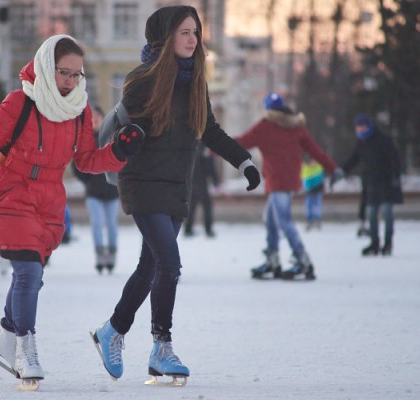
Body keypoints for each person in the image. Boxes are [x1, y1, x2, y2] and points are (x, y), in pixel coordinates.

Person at [0, 35, 133, 386]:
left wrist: (118, 152)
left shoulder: (79, 110)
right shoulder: (20, 103)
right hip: (10, 196)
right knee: (29, 273)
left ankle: (5, 335)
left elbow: (87, 161)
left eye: (78, 75)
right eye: (65, 73)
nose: (72, 82)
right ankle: (25, 349)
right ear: (48, 67)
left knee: (28, 276)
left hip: (48, 205)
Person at [90, 6, 260, 384]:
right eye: (184, 32)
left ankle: (112, 331)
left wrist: (244, 162)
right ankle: (161, 347)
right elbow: (129, 132)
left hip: (176, 186)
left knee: (149, 267)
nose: (192, 39)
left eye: (195, 33)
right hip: (142, 183)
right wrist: (129, 137)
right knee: (170, 265)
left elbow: (209, 130)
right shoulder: (140, 81)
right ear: (165, 38)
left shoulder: (195, 82)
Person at [237, 92, 341, 281]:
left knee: (284, 220)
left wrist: (212, 145)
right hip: (289, 180)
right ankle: (273, 259)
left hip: (277, 181)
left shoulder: (265, 126)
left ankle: (303, 261)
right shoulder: (295, 126)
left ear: (267, 109)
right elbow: (315, 150)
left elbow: (242, 142)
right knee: (270, 219)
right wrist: (332, 168)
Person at [336, 115, 403, 256]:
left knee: (387, 213)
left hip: (386, 183)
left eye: (362, 128)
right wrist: (341, 171)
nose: (360, 131)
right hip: (371, 184)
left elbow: (395, 159)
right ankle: (374, 243)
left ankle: (388, 244)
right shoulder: (362, 143)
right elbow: (354, 159)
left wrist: (395, 176)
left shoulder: (383, 140)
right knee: (372, 214)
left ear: (369, 127)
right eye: (358, 128)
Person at [72, 105, 120, 273]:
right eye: (92, 118)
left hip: (112, 192)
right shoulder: (84, 139)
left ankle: (112, 255)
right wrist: (88, 181)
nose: (95, 120)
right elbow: (76, 165)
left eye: (98, 117)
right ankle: (100, 255)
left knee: (112, 225)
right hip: (93, 193)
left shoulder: (110, 137)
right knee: (97, 224)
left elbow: (119, 158)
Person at [183, 142, 219, 237]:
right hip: (201, 183)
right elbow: (210, 167)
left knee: (191, 207)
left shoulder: (190, 148)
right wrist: (215, 180)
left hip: (191, 183)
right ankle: (208, 229)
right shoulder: (205, 151)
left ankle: (188, 229)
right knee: (206, 206)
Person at [300, 157, 324, 231]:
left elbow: (320, 180)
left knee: (317, 206)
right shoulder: (306, 169)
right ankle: (309, 221)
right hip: (309, 191)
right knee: (309, 206)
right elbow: (304, 180)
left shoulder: (319, 168)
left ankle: (317, 221)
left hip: (317, 191)